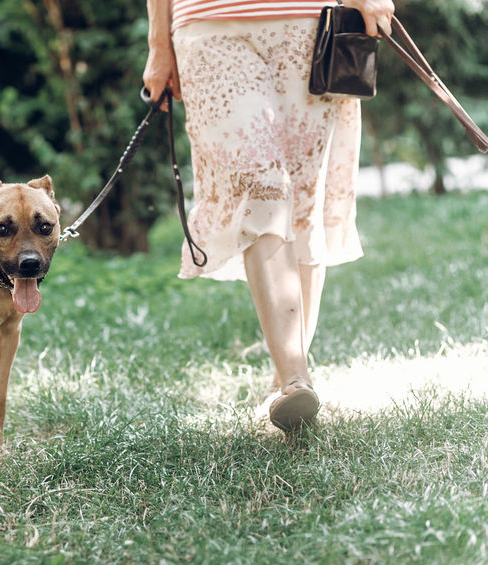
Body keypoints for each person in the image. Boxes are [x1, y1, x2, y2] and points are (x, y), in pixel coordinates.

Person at [143, 0, 395, 430]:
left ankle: (289, 379)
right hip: (208, 26)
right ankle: (296, 377)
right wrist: (158, 44)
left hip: (309, 23)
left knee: (302, 200)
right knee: (260, 186)